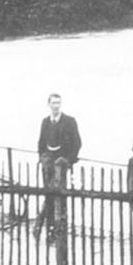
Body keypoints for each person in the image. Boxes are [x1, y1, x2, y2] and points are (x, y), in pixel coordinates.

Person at [34, 94, 82, 241]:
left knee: (59, 198)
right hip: (48, 162)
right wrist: (42, 158)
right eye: (53, 103)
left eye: (58, 103)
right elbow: (41, 142)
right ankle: (48, 230)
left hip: (61, 163)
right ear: (48, 104)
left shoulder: (69, 121)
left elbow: (77, 142)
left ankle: (57, 232)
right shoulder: (45, 122)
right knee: (48, 195)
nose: (56, 106)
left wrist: (68, 160)